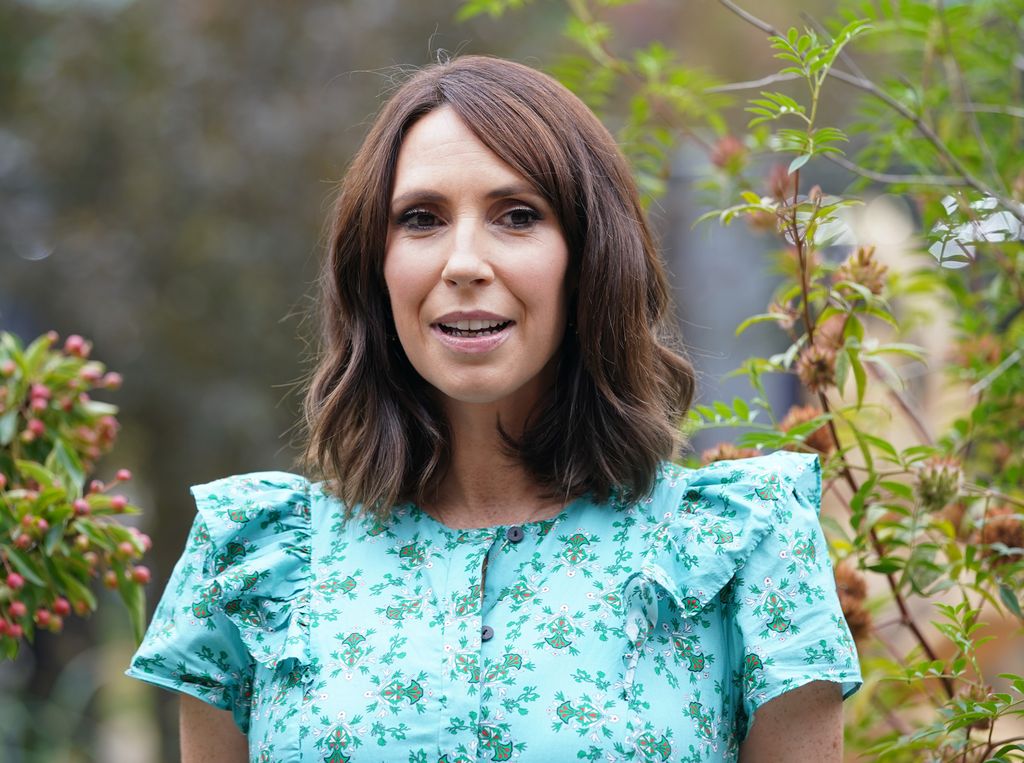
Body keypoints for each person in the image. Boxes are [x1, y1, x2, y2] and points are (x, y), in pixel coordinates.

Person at [125, 55, 862, 762]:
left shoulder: (740, 550)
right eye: (420, 218)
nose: (465, 262)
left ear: (589, 257)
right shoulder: (254, 559)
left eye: (516, 215)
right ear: (375, 267)